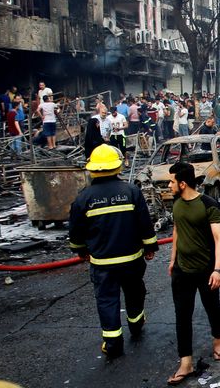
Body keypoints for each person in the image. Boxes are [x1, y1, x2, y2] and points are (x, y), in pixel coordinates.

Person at [68, 145, 158, 360]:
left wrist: (81, 251)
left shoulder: (83, 198)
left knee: (107, 300)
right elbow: (144, 223)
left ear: (93, 169)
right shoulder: (131, 192)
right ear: (117, 167)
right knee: (135, 291)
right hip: (132, 259)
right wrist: (150, 246)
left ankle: (113, 343)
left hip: (102, 263)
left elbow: (76, 231)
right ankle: (136, 324)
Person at [166, 161, 220, 385]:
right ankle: (186, 362)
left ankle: (218, 342)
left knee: (212, 307)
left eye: (172, 181)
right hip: (182, 270)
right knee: (182, 315)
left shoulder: (208, 204)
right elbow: (177, 230)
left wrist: (217, 270)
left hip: (205, 270)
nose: (169, 185)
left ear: (182, 183)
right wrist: (173, 259)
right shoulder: (176, 202)